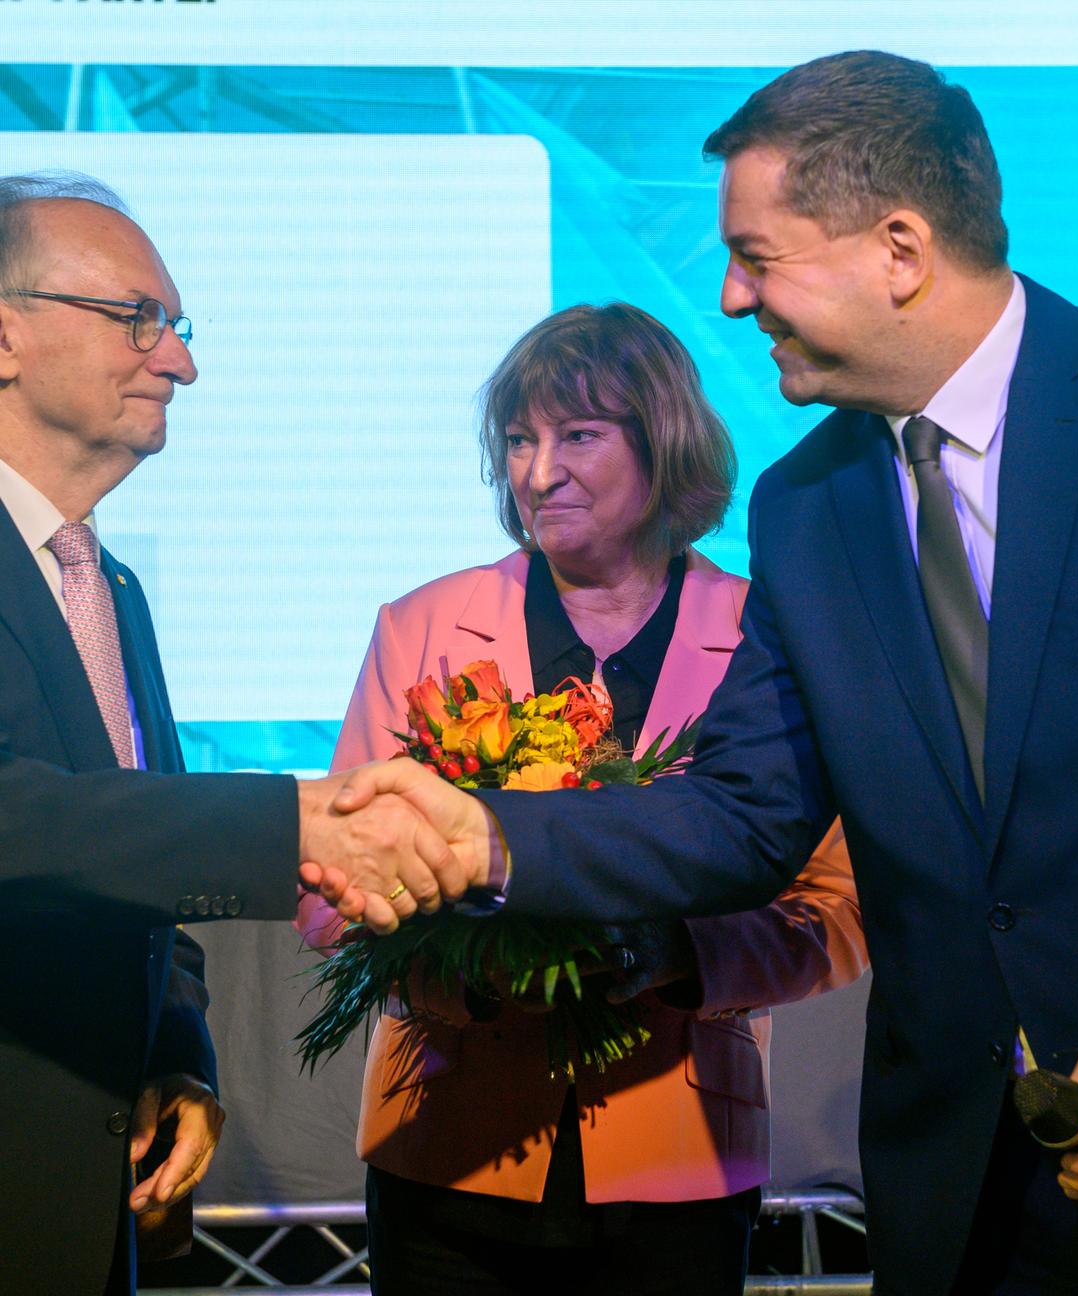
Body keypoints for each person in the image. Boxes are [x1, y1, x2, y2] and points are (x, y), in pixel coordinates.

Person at [320, 53, 1078, 1296]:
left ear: (901, 249)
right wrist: (487, 837)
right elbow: (745, 813)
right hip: (953, 1180)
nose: (724, 296)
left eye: (756, 258)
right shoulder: (809, 507)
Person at [298, 303, 867, 1296]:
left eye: (578, 436)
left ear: (666, 445)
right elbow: (324, 889)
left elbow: (839, 910)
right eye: (518, 439)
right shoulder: (421, 625)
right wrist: (471, 977)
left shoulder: (766, 635)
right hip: (445, 1149)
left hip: (679, 1164)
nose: (536, 471)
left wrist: (684, 960)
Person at [0, 172, 467, 1296]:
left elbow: (131, 864)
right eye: (137, 320)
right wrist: (297, 819)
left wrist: (179, 1058)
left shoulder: (106, 586)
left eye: (177, 328)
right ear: (4, 336)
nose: (180, 362)